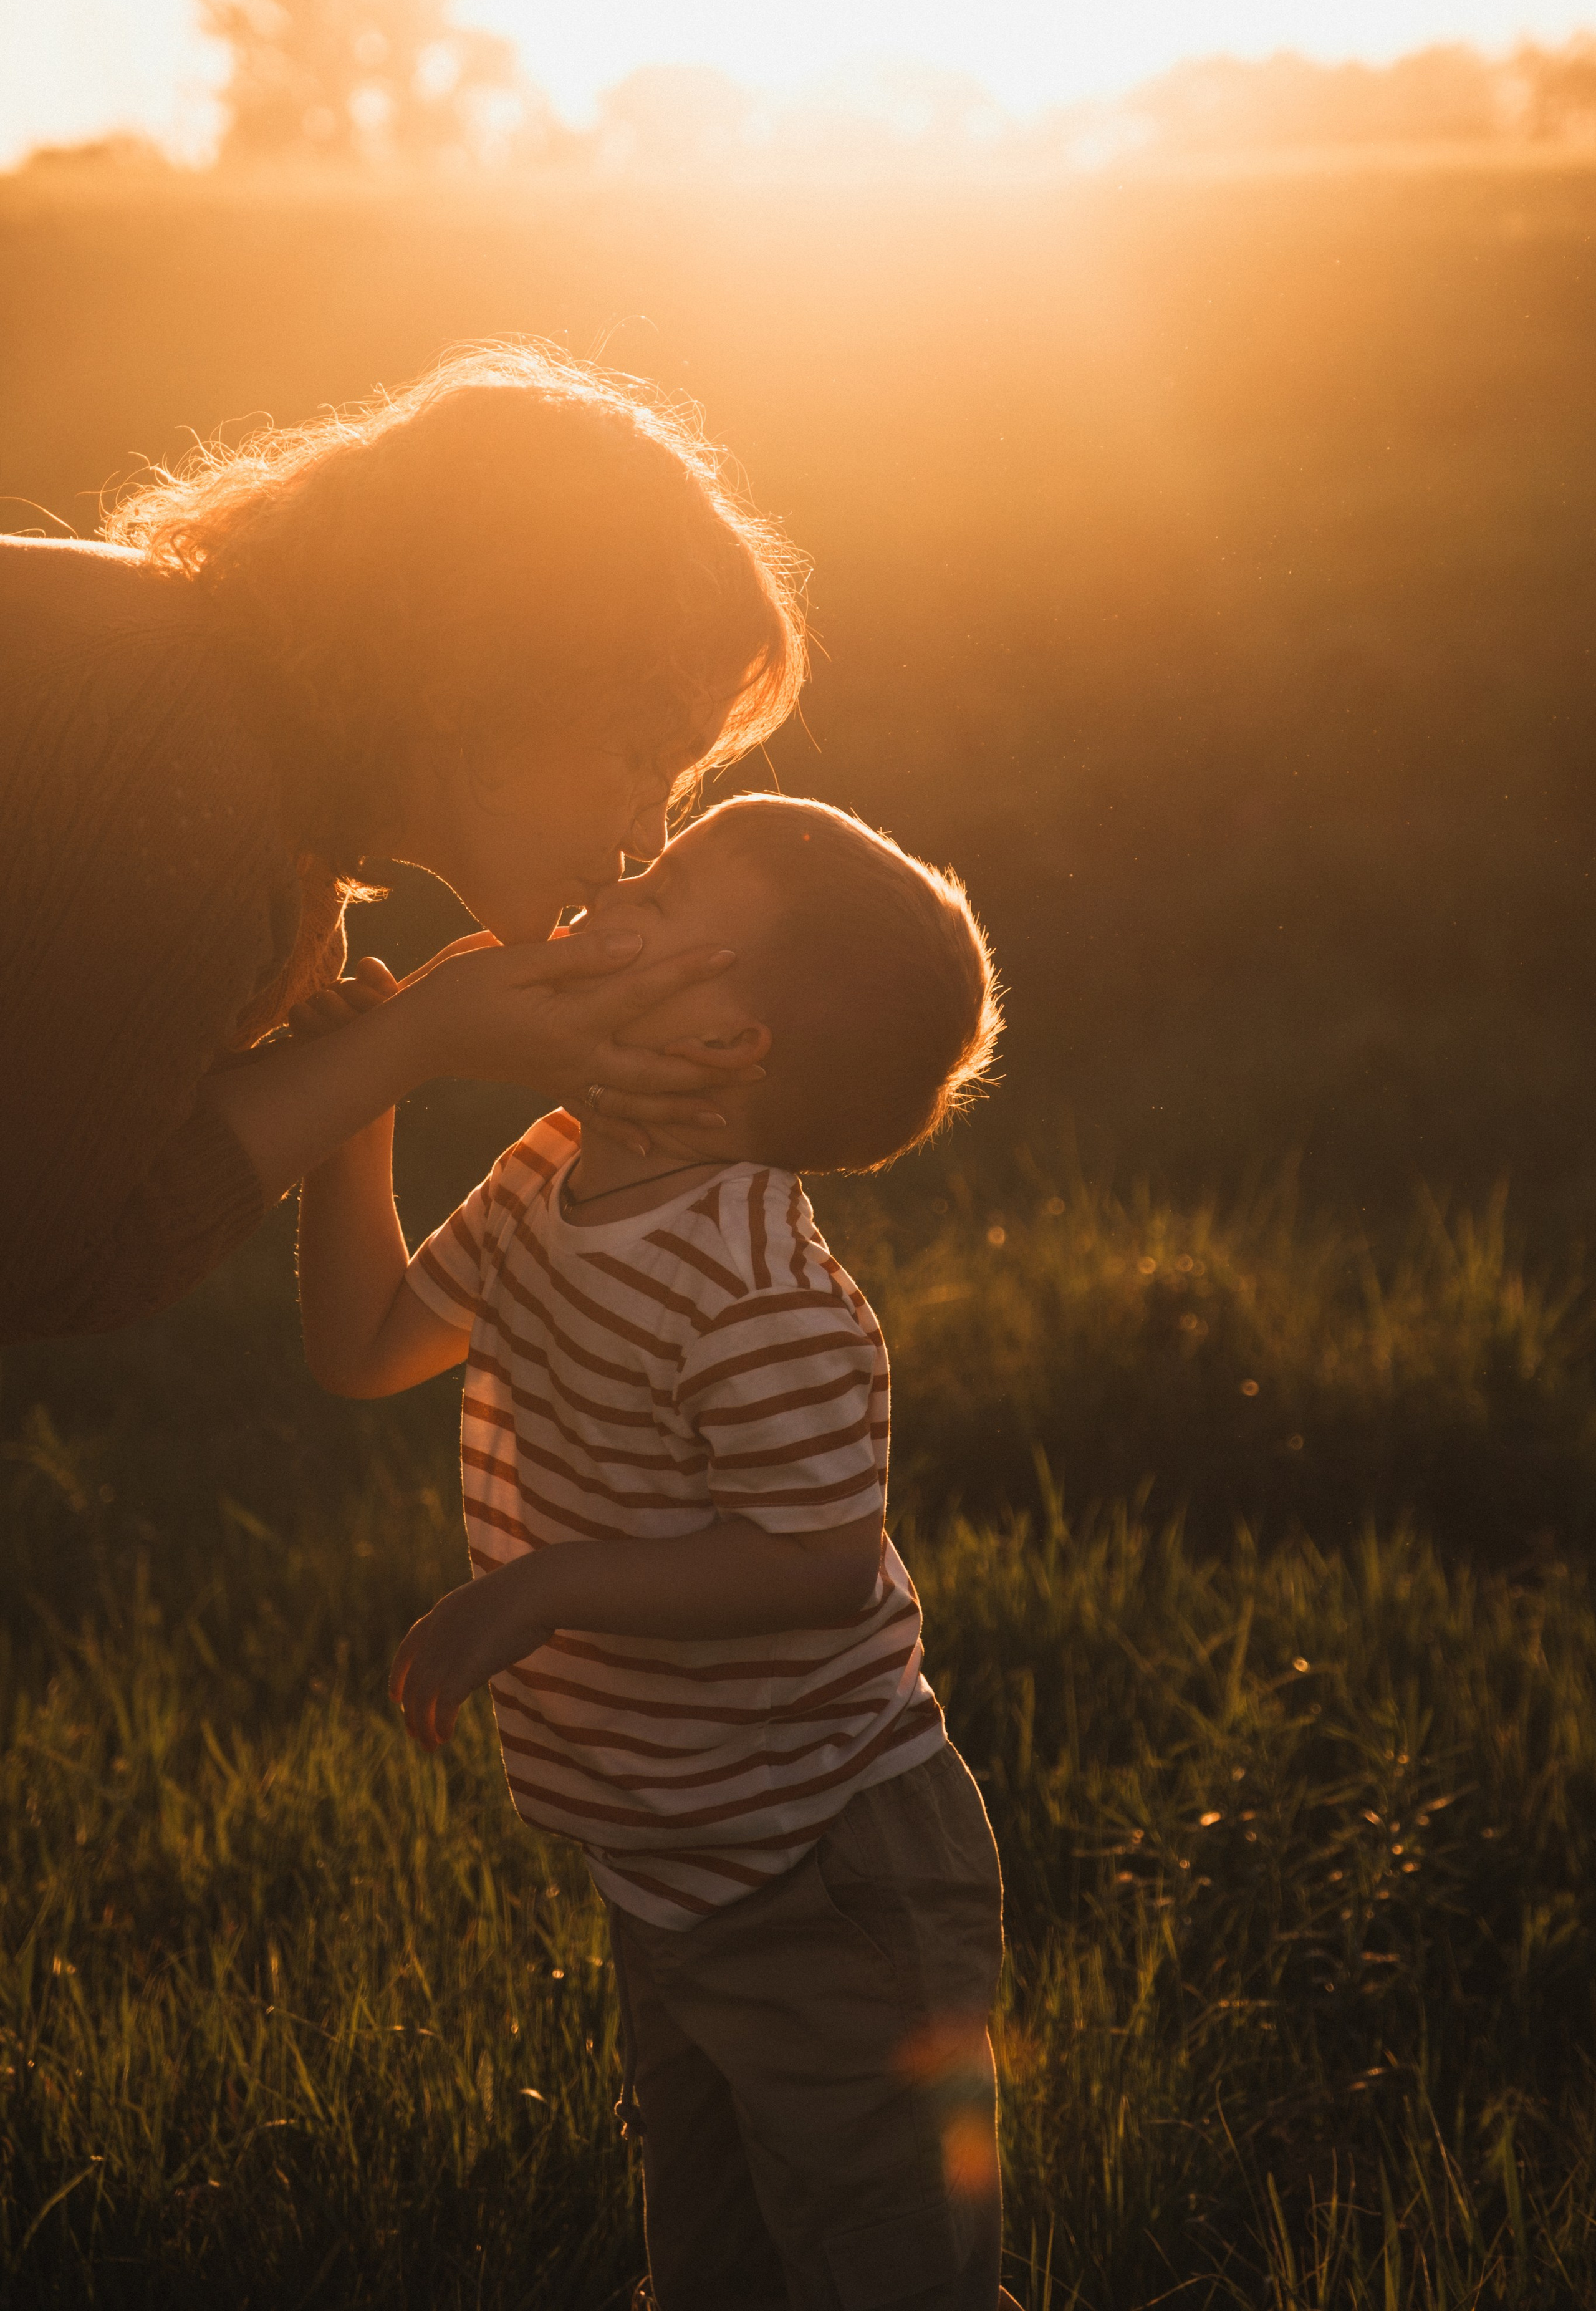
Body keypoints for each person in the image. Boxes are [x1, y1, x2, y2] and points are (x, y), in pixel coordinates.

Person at [294, 793, 1018, 2311]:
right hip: (674, 1857)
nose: (612, 889)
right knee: (709, 2260)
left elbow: (817, 1564)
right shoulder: (554, 1163)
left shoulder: (763, 1297)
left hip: (823, 1867)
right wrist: (351, 1112)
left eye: (665, 889)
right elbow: (368, 1346)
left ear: (719, 1044)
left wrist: (551, 1585)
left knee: (882, 2262)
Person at [0, 342, 804, 1344]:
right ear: (490, 689)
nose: (651, 832)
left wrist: (396, 1044)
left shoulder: (226, 742)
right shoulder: (193, 802)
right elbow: (44, 1263)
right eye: (648, 758)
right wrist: (409, 1044)